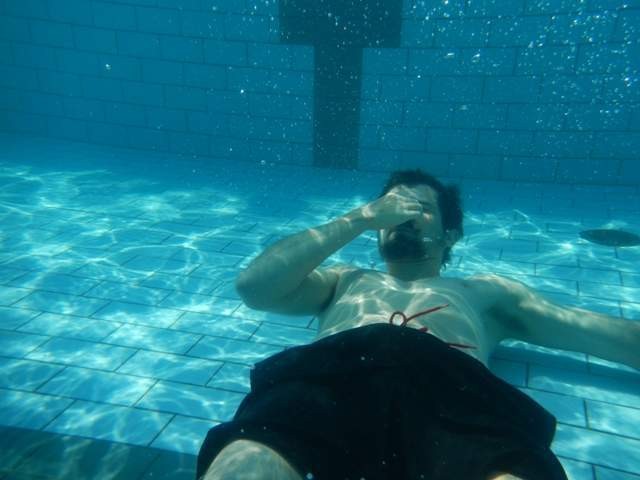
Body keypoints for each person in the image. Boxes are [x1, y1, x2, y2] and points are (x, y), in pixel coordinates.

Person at [196, 169, 639, 480]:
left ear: (450, 236)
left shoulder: (484, 292)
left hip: (453, 398)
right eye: (392, 208)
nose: (402, 216)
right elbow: (255, 287)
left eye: (420, 209)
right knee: (248, 459)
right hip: (331, 382)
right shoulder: (344, 280)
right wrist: (361, 217)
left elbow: (600, 334)